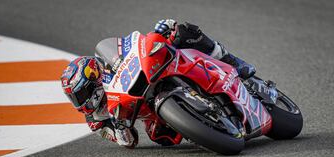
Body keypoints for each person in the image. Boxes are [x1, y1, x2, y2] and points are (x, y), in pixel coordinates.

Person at [60, 19, 256, 148]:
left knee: (180, 31)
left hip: (151, 75)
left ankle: (233, 61)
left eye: (80, 94)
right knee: (161, 137)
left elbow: (128, 47)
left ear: (93, 79)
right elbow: (129, 142)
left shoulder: (108, 67)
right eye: (74, 97)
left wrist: (158, 34)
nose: (79, 101)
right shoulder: (95, 120)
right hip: (150, 111)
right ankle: (206, 126)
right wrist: (120, 129)